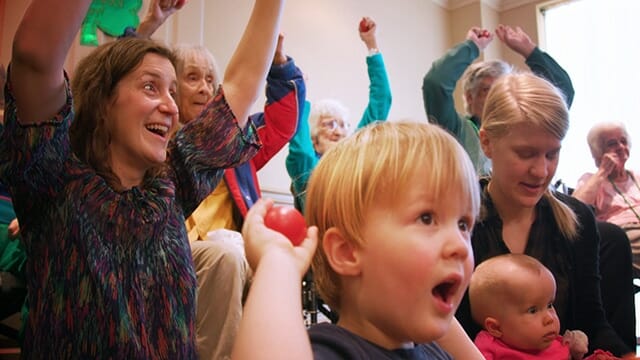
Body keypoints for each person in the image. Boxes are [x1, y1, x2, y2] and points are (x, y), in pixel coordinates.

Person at [0, 0, 285, 357]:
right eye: (151, 87)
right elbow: (33, 56)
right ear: (104, 100)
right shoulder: (53, 180)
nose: (171, 106)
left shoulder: (173, 183)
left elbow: (241, 86)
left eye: (172, 91)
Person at [134, 2, 306, 357]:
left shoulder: (232, 143)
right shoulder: (149, 140)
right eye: (192, 77)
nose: (204, 88)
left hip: (233, 251)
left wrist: (279, 63)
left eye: (211, 79)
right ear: (170, 86)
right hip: (170, 255)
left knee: (267, 264)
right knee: (225, 257)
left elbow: (281, 122)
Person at [233, 121, 484, 359]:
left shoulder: (435, 352)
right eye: (426, 218)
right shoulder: (335, 351)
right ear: (347, 252)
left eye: (464, 224)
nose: (461, 246)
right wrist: (278, 263)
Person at [454, 72, 636, 358]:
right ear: (487, 143)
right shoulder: (459, 221)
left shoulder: (576, 219)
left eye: (552, 154)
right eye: (526, 154)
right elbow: (447, 331)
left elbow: (593, 323)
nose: (541, 171)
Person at [422, 24, 574, 176]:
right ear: (470, 97)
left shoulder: (524, 124)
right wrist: (472, 46)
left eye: (502, 90)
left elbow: (562, 93)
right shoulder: (457, 129)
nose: (497, 98)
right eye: (487, 90)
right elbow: (436, 84)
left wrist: (529, 50)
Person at [286, 16, 392, 212]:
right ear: (314, 140)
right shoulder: (307, 167)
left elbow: (382, 99)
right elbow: (300, 149)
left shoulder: (355, 157)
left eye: (343, 125)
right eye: (329, 124)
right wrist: (301, 96)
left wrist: (371, 44)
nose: (339, 131)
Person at [469, 253, 590, 359]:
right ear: (496, 328)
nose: (550, 318)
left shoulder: (554, 342)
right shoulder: (488, 350)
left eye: (549, 305)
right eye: (533, 310)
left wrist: (576, 348)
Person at [573, 122, 640, 277]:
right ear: (598, 153)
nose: (620, 147)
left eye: (623, 141)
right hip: (622, 236)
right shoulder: (591, 179)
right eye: (612, 144)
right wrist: (603, 171)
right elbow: (575, 209)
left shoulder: (637, 177)